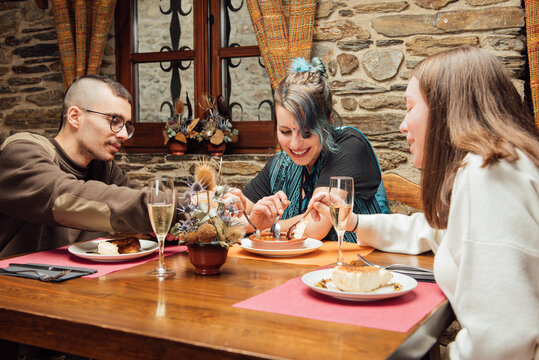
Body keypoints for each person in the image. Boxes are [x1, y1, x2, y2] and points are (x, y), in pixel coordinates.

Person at [309, 46, 539, 359]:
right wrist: (354, 223)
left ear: (446, 110)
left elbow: (501, 341)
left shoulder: (488, 174)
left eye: (409, 107)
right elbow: (434, 230)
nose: (403, 125)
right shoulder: (496, 167)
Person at [0, 74, 157, 258]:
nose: (123, 134)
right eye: (114, 121)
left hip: (78, 280)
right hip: (16, 282)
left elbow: (136, 203)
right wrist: (178, 206)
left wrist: (172, 221)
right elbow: (66, 198)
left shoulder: (104, 168)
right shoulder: (21, 152)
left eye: (126, 125)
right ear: (75, 117)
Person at [239, 57, 389, 242]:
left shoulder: (349, 145)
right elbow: (238, 211)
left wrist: (255, 225)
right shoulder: (280, 164)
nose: (295, 144)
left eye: (307, 133)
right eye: (285, 131)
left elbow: (316, 225)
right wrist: (228, 204)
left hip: (364, 265)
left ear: (330, 121)